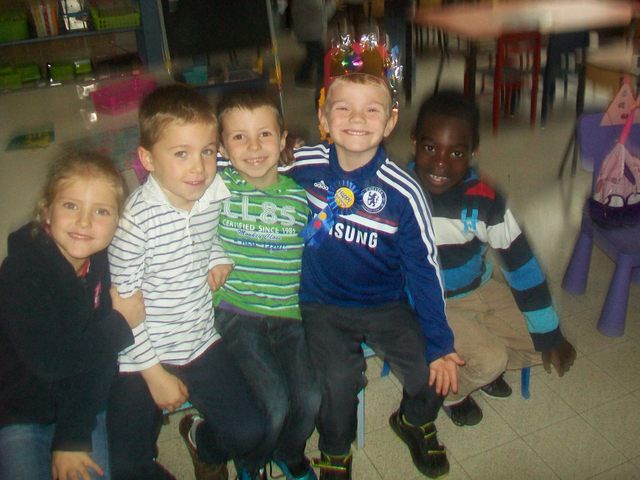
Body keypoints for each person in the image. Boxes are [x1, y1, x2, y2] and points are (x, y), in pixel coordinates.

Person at [281, 38, 463, 480]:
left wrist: (440, 343)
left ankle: (412, 421)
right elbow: (251, 163)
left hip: (385, 304)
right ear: (324, 117)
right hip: (321, 304)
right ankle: (335, 452)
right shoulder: (302, 164)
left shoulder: (404, 191)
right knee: (338, 382)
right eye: (343, 108)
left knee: (432, 375)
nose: (357, 119)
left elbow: (424, 271)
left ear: (390, 121)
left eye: (371, 110)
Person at [107, 84, 267, 480]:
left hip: (199, 340)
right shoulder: (133, 224)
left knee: (251, 432)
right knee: (126, 466)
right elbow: (123, 311)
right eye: (181, 154)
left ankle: (201, 441)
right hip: (141, 353)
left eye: (207, 151)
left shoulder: (211, 191)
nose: (198, 168)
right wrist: (155, 375)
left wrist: (216, 255)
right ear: (147, 159)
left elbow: (205, 235)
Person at [409, 90, 576, 427]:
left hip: (478, 288)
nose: (441, 163)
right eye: (430, 148)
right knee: (492, 359)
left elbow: (520, 263)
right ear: (414, 143)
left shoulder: (485, 197)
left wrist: (550, 333)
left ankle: (473, 363)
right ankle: (452, 392)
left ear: (473, 153)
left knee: (543, 339)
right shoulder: (398, 194)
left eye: (457, 152)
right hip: (428, 302)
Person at [0, 150, 141, 480]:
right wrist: (119, 324)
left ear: (118, 222)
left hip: (83, 405)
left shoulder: (105, 264)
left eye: (101, 211)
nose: (84, 222)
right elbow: (51, 361)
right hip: (21, 409)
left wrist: (72, 437)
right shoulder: (21, 271)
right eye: (71, 206)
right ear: (46, 210)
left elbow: (101, 360)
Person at [212, 89, 320, 480]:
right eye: (239, 137)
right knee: (273, 403)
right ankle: (250, 461)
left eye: (265, 134)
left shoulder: (302, 196)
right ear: (222, 147)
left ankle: (288, 453)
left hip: (289, 315)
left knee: (310, 398)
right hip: (236, 312)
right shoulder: (215, 187)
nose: (254, 147)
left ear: (283, 139)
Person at [291, 0, 338, 91]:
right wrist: (333, 4)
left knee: (312, 56)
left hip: (308, 30)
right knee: (320, 58)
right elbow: (322, 14)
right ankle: (322, 82)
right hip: (310, 33)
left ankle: (303, 78)